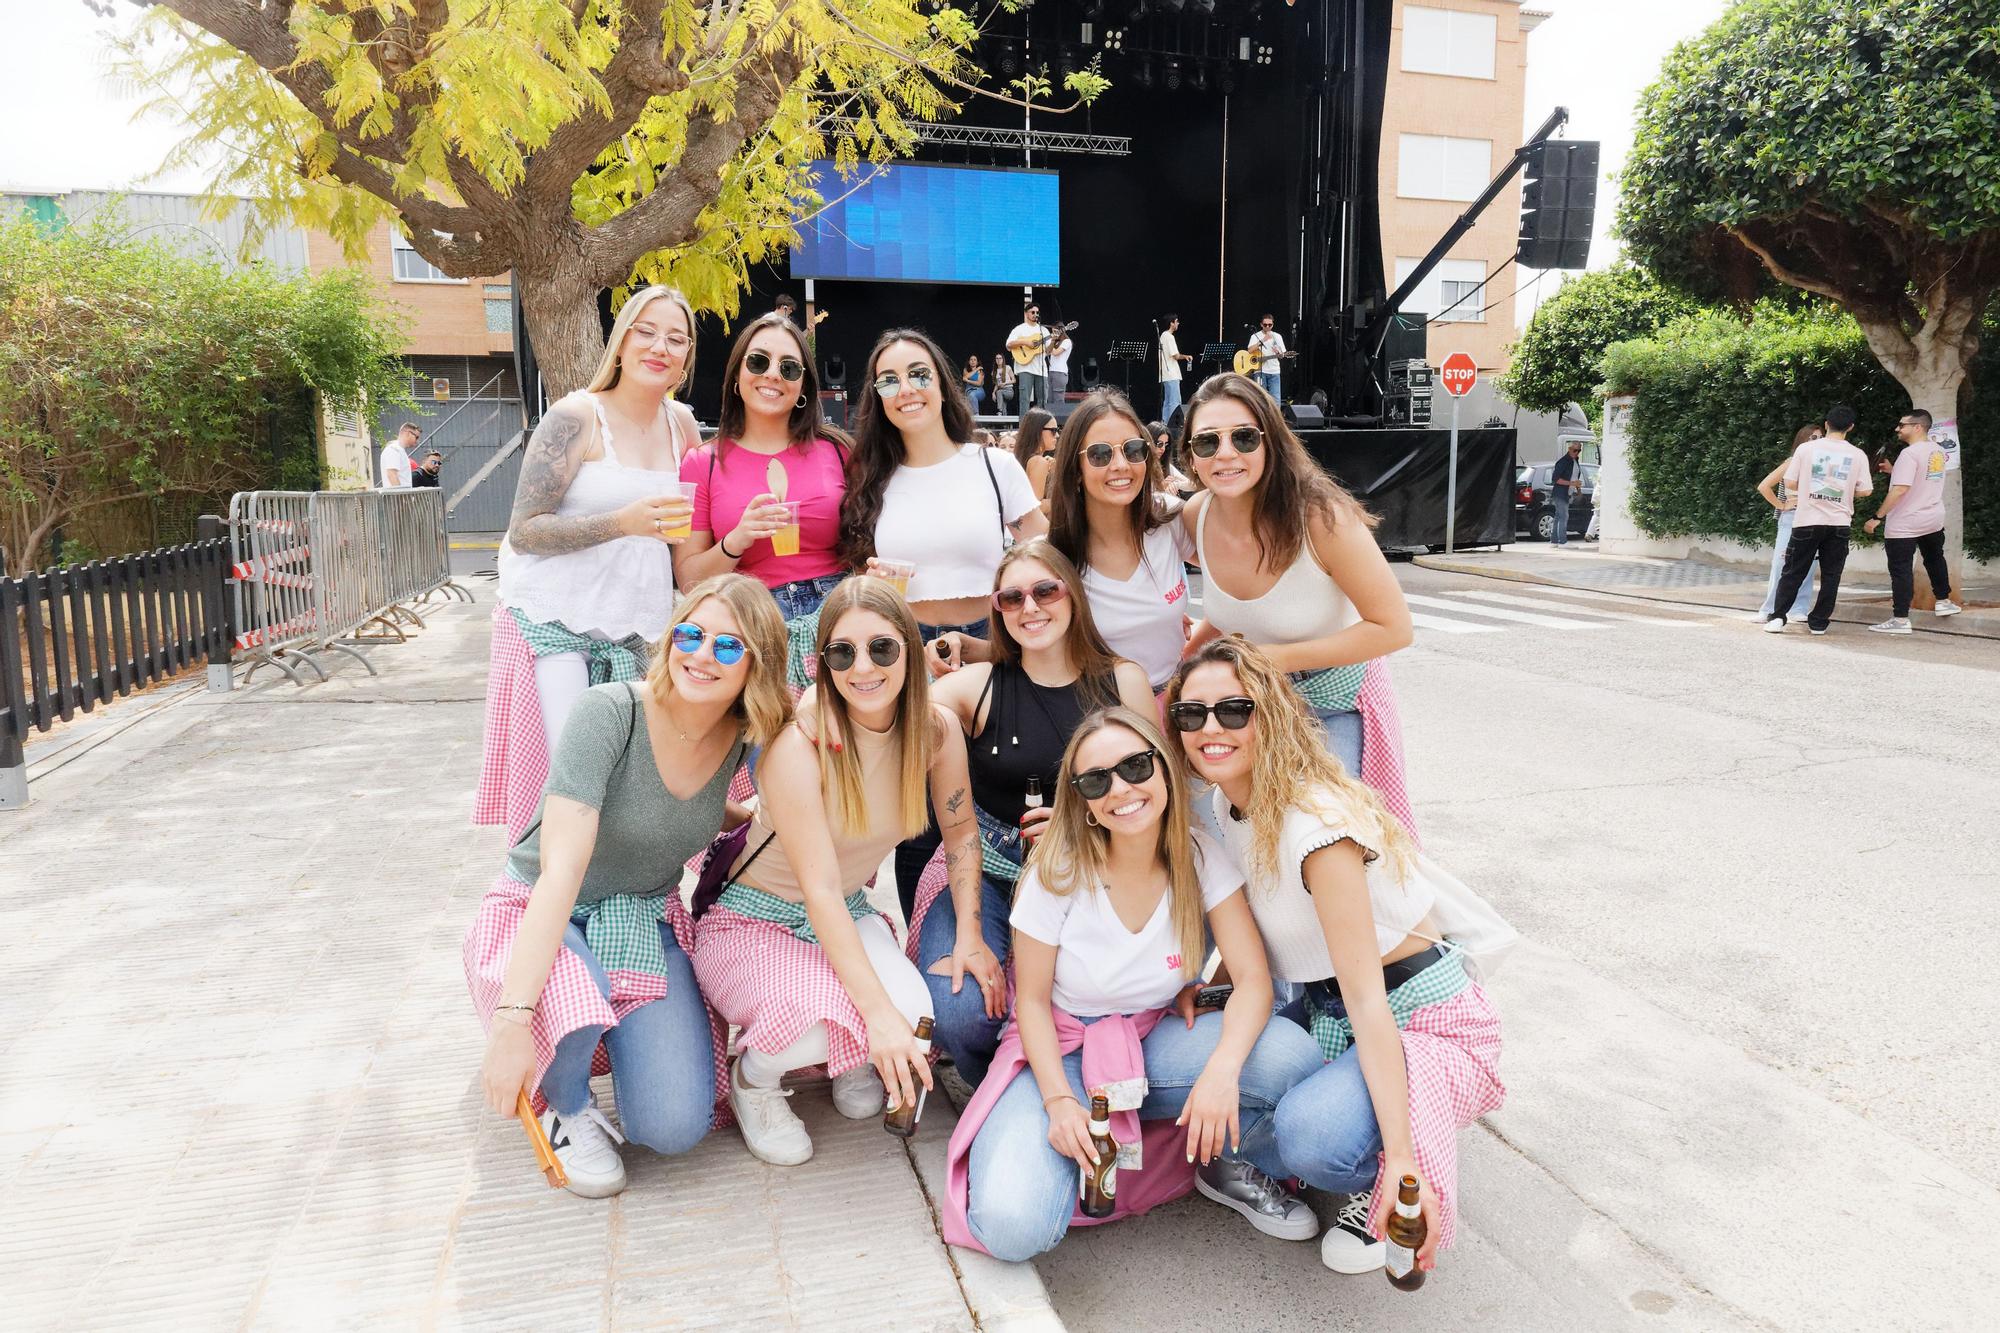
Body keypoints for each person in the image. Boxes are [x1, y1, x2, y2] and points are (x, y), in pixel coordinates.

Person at [1169, 637, 1504, 1276]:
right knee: (1232, 1080)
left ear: (1270, 714)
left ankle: (1373, 1175)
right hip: (1331, 1009)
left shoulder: (1315, 827)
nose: (1210, 729)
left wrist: (1405, 1160)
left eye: (1233, 710)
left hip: (1417, 1015)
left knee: (1310, 1136)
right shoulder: (1227, 801)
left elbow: (1368, 998)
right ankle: (1320, 1137)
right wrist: (1212, 981)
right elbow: (1267, 925)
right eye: (1192, 715)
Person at [945, 706, 1327, 1261]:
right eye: (1097, 780)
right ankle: (1153, 1146)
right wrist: (1056, 1103)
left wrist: (1221, 1075)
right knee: (1010, 1228)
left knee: (1290, 1058)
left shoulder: (1199, 855)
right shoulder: (1057, 870)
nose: (1120, 789)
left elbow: (1252, 979)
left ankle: (1209, 1155)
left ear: (1165, 768)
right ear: (1083, 800)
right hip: (1062, 1050)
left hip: (1153, 1042)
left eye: (1136, 766)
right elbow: (1028, 1002)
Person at [467, 574, 791, 1197]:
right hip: (544, 907)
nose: (701, 655)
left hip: (642, 913)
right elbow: (560, 873)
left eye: (728, 646)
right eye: (691, 635)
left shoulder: (742, 736)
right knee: (575, 993)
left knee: (673, 1128)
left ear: (757, 664)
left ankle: (595, 1038)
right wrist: (513, 1021)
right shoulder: (610, 712)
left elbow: (677, 804)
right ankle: (561, 1098)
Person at [691, 577, 984, 1164]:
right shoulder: (798, 746)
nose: (863, 668)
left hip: (846, 908)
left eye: (881, 648)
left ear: (908, 646)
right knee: (823, 1025)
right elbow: (817, 890)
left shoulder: (933, 732)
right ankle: (756, 1081)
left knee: (919, 1015)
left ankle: (845, 1055)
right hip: (755, 919)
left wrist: (972, 934)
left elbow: (962, 834)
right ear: (823, 664)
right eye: (842, 653)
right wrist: (875, 1021)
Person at [914, 541, 1156, 1084]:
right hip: (992, 876)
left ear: (1073, 596)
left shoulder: (1123, 683)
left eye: (1046, 590)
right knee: (960, 1013)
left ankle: (1046, 1073)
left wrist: (1087, 831)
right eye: (1012, 597)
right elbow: (887, 707)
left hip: (1097, 881)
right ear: (997, 610)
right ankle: (1000, 1084)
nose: (1031, 606)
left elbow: (1164, 801)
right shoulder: (976, 688)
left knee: (1091, 1003)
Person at [834, 327, 1049, 916]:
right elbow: (856, 583)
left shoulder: (993, 465)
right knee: (917, 817)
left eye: (919, 374)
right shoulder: (870, 478)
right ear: (876, 395)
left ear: (943, 384)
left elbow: (1046, 554)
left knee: (998, 797)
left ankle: (1010, 932)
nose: (907, 389)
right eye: (890, 379)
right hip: (908, 656)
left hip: (993, 646)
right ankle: (924, 944)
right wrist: (870, 588)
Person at [474, 285, 700, 843]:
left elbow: (683, 546)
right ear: (620, 341)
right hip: (554, 625)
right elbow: (524, 532)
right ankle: (550, 911)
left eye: (676, 338)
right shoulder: (577, 416)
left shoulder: (685, 429)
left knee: (631, 789)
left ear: (688, 356)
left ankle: (627, 906)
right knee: (572, 784)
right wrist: (622, 523)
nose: (659, 347)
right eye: (645, 331)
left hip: (637, 633)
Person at [1177, 373, 1419, 836]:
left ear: (1272, 442)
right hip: (1242, 704)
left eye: (1244, 437)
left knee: (1328, 832)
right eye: (1207, 442)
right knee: (1208, 834)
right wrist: (1183, 660)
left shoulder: (1324, 519)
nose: (1226, 453)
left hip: (1331, 702)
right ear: (1191, 456)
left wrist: (1274, 660)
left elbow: (1394, 628)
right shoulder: (1196, 515)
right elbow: (1241, 614)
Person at [676, 313, 848, 621]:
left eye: (789, 368)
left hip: (836, 616)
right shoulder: (703, 463)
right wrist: (737, 539)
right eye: (758, 362)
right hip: (752, 620)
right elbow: (690, 582)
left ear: (803, 385)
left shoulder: (838, 451)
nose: (772, 374)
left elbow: (869, 545)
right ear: (737, 377)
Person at [1047, 390, 1195, 695]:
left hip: (1174, 703)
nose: (1121, 465)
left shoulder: (1168, 517)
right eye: (1100, 454)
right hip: (1100, 709)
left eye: (1133, 450)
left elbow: (1239, 581)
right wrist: (965, 647)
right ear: (1076, 470)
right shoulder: (1055, 554)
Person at [1764, 404, 1873, 636]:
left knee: (1793, 571)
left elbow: (1791, 483)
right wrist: (1842, 488)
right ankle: (1819, 622)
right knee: (1832, 575)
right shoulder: (1857, 454)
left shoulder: (1806, 449)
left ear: (1826, 424)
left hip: (1807, 520)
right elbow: (1865, 491)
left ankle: (1777, 618)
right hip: (1839, 523)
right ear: (1850, 427)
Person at [1864, 409, 1962, 633]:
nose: (1898, 429)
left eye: (1902, 425)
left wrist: (1876, 517)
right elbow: (1923, 478)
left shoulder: (1909, 454)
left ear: (1917, 427)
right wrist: (1893, 470)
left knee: (1901, 570)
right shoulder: (1937, 451)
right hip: (1933, 518)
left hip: (1905, 522)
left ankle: (1900, 619)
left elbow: (1900, 489)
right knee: (1935, 559)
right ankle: (1943, 601)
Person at [1754, 425, 1822, 623]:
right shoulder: (1792, 461)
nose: (1817, 441)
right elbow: (1764, 486)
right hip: (1792, 517)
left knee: (1809, 565)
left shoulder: (1822, 464)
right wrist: (1782, 505)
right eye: (1813, 437)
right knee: (1781, 564)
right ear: (1802, 441)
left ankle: (1799, 608)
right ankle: (1769, 608)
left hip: (1814, 518)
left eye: (1820, 438)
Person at [1007, 301, 1052, 413]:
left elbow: (1049, 351)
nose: (1035, 314)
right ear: (1026, 313)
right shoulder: (1019, 329)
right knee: (1024, 400)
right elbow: (1009, 345)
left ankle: (1042, 426)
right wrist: (1025, 342)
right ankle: (1024, 428)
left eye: (1037, 312)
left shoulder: (1044, 330)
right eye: (1033, 312)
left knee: (1043, 400)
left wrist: (1054, 340)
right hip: (1025, 368)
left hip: (1041, 370)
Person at [1013, 408, 1059, 506]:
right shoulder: (1038, 461)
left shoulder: (1024, 459)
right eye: (1053, 430)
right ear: (1037, 430)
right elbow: (1035, 508)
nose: (1057, 435)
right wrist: (1061, 501)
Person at [1548, 440, 1583, 546]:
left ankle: (1554, 541)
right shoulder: (1563, 461)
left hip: (1567, 493)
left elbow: (1575, 478)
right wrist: (1572, 483)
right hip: (1560, 493)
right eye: (1574, 450)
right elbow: (1555, 479)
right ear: (1569, 449)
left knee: (1559, 516)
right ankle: (1562, 541)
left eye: (1579, 451)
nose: (1576, 453)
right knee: (1564, 516)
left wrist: (1578, 490)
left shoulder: (1575, 461)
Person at [1158, 312, 1191, 423]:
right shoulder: (1169, 337)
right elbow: (1175, 355)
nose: (1178, 323)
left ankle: (1165, 425)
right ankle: (1173, 426)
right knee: (1174, 402)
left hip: (1165, 375)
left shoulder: (1162, 335)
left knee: (1167, 402)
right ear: (1171, 323)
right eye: (1176, 321)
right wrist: (1186, 356)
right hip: (1172, 374)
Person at [1149, 418, 1194, 495]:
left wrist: (1175, 484)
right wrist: (1160, 488)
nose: (1163, 448)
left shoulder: (1165, 465)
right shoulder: (1141, 465)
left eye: (1165, 444)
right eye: (1159, 444)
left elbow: (1192, 485)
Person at [1248, 315, 1287, 402]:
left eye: (1270, 325)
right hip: (1259, 370)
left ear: (1273, 325)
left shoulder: (1277, 336)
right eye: (1265, 325)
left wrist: (1279, 353)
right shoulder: (1255, 336)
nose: (1268, 327)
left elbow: (1282, 355)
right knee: (1260, 398)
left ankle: (1275, 415)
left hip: (1274, 370)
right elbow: (1250, 350)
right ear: (1261, 325)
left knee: (1276, 399)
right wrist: (1263, 340)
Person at [379, 422, 419, 489]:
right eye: (416, 437)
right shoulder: (394, 449)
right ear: (408, 433)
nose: (417, 441)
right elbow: (392, 474)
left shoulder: (399, 450)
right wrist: (401, 497)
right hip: (396, 498)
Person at [1046, 324, 1073, 402]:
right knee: (1049, 398)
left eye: (1055, 331)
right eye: (1052, 331)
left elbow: (1056, 353)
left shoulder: (1067, 341)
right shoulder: (1054, 342)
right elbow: (1047, 352)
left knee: (1058, 398)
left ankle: (1060, 414)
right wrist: (1052, 341)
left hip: (1060, 372)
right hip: (1051, 371)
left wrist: (1052, 341)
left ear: (1061, 331)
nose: (1053, 333)